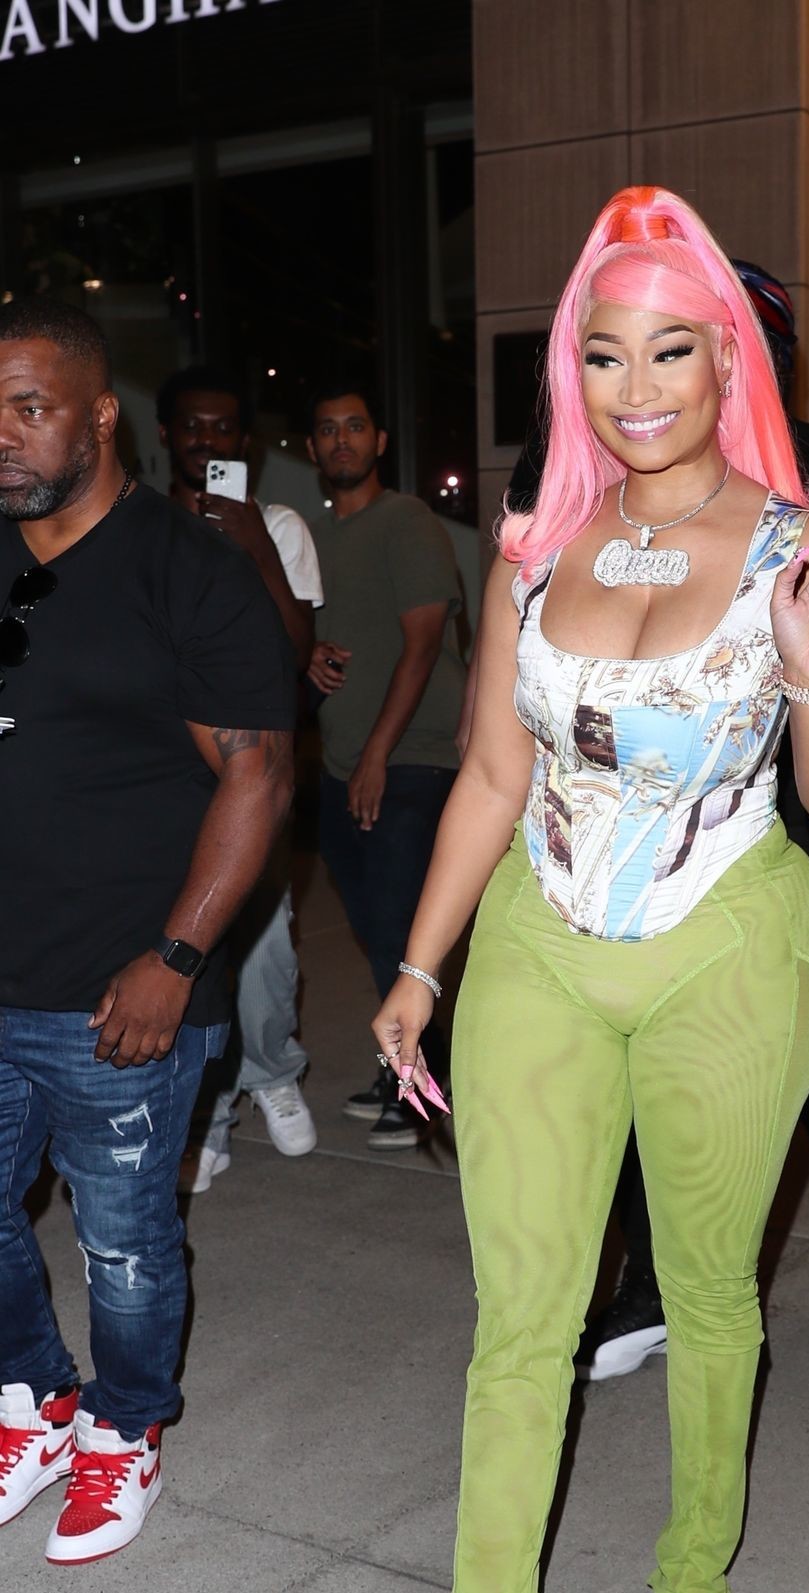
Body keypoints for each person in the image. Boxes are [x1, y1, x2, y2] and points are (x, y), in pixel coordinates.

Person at [372, 185, 809, 1593]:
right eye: (604, 354)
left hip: (732, 946)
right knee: (521, 1328)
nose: (637, 385)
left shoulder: (808, 547)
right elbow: (489, 774)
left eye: (674, 349)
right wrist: (419, 967)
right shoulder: (535, 546)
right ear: (574, 373)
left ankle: (693, 1560)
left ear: (728, 356)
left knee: (708, 1284)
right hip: (540, 946)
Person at [544, 260, 809, 1375]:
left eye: (700, 343)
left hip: (794, 806)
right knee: (626, 1055)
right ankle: (650, 1279)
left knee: (789, 1054)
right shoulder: (597, 460)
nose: (651, 380)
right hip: (624, 816)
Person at [0, 298, 295, 1562]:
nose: (3, 435)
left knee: (122, 1245)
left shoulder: (188, 572)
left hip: (120, 992)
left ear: (101, 416)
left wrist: (177, 960)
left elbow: (258, 776)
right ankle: (34, 1397)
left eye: (29, 408)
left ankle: (126, 1427)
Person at [157, 364, 322, 1191]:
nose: (207, 440)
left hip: (251, 763)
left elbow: (296, 650)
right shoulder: (139, 521)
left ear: (245, 443)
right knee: (180, 944)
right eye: (192, 425)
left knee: (262, 943)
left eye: (223, 428)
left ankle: (273, 1071)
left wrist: (253, 543)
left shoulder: (281, 525)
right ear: (165, 435)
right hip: (161, 771)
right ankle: (208, 1111)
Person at [306, 382, 466, 1149]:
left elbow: (424, 641)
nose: (341, 439)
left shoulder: (407, 521)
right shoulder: (311, 537)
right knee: (377, 931)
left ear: (379, 442)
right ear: (312, 447)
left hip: (410, 760)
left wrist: (377, 754)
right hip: (341, 762)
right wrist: (306, 655)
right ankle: (406, 1066)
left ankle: (422, 1082)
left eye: (355, 426)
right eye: (327, 429)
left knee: (404, 931)